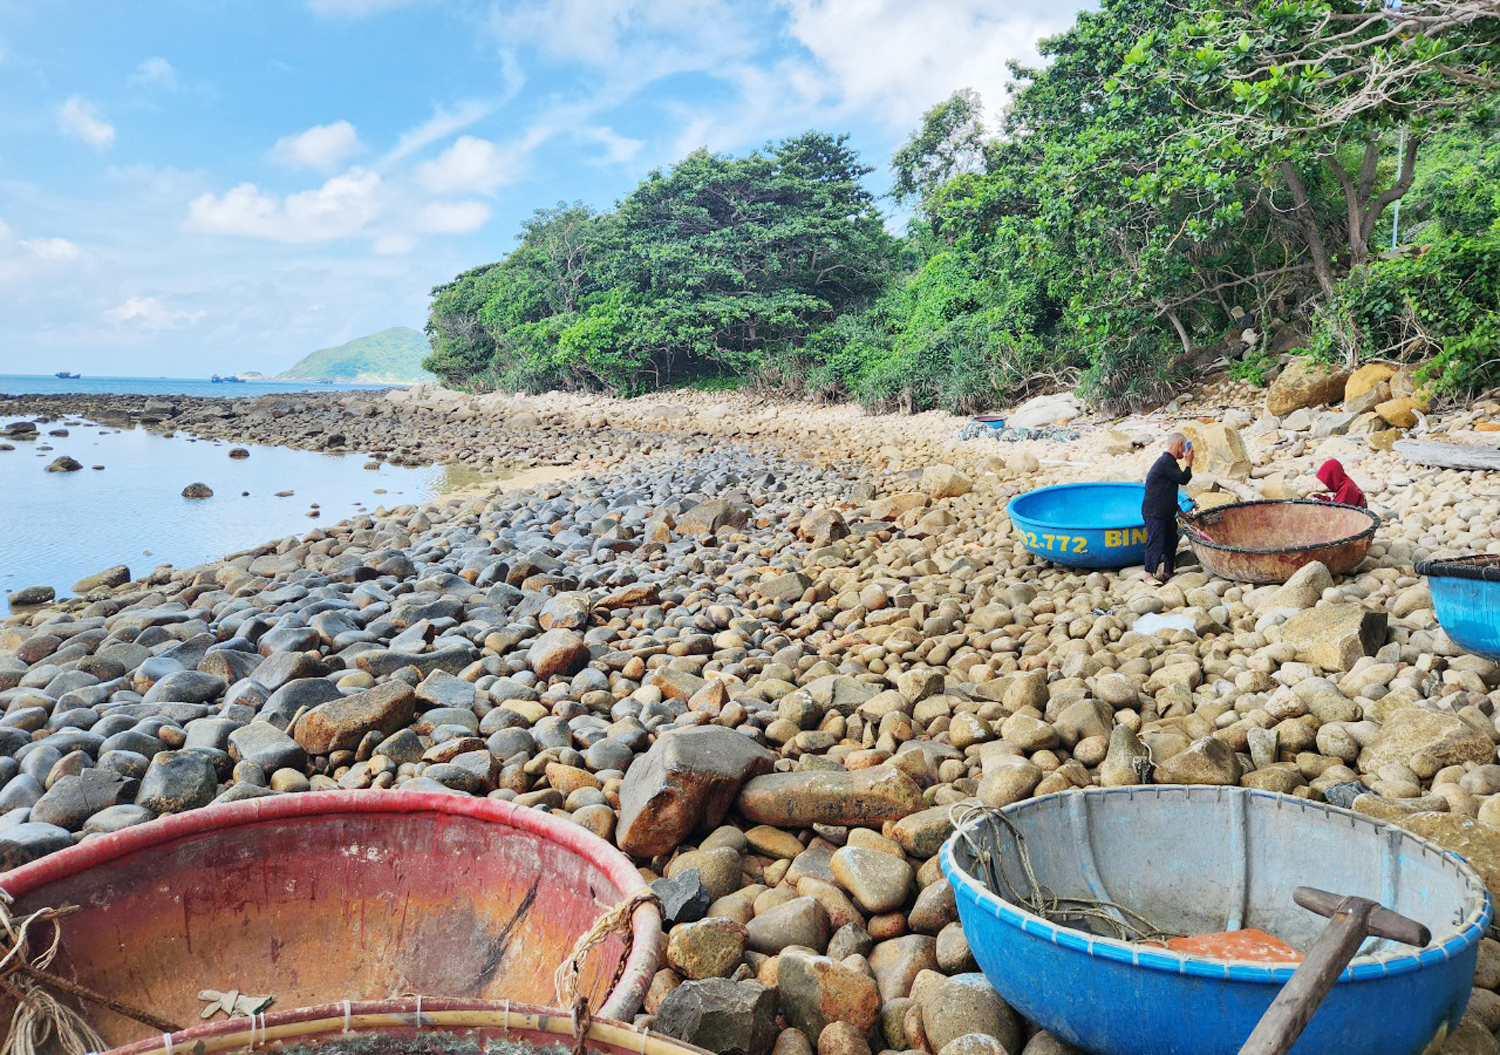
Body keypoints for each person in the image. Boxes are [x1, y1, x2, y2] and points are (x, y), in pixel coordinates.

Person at [1142, 432, 1194, 584]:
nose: (1184, 451)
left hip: (1165, 511)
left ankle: (1168, 572)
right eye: (1184, 447)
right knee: (1156, 541)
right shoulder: (1165, 462)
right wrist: (1189, 463)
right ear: (1179, 444)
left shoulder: (1170, 463)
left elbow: (1168, 491)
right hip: (1154, 512)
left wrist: (1180, 511)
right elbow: (1183, 479)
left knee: (1171, 540)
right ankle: (1148, 575)